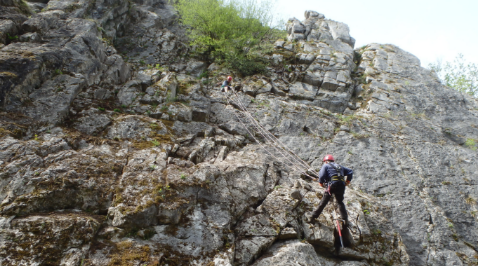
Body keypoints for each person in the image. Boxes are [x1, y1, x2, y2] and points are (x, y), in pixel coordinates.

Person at [306, 154, 353, 225]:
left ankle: (312, 217)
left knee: (324, 201)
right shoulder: (340, 166)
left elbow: (321, 175)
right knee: (340, 202)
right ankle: (345, 220)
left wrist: (321, 183)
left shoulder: (326, 166)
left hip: (332, 185)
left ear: (326, 161)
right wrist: (348, 181)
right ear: (333, 161)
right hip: (341, 185)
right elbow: (350, 171)